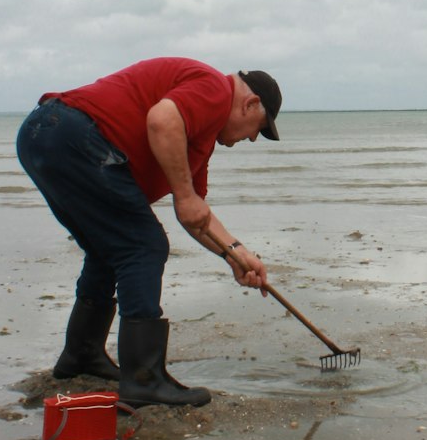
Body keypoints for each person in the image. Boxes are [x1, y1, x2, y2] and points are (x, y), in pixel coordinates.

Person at [15, 59, 282, 409]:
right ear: (250, 104)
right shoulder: (215, 89)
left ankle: (81, 354)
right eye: (256, 129)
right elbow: (161, 120)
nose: (250, 138)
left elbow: (195, 213)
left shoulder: (199, 136)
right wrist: (184, 195)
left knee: (107, 248)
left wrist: (236, 253)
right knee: (144, 245)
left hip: (42, 135)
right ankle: (143, 379)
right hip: (71, 132)